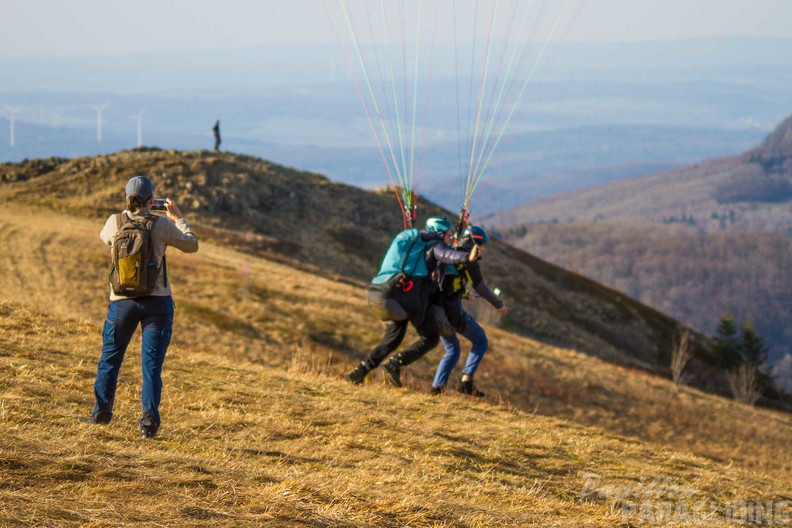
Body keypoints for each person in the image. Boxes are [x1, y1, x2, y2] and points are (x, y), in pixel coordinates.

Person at [81, 175, 198, 438]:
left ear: (126, 199)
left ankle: (101, 415)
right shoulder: (160, 225)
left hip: (122, 302)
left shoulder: (114, 222)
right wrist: (177, 219)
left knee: (110, 359)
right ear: (150, 200)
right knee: (151, 367)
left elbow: (107, 240)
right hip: (157, 303)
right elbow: (192, 245)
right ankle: (148, 426)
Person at [346, 217, 480, 387]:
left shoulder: (413, 241)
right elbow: (446, 255)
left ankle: (359, 372)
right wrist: (468, 257)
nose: (450, 238)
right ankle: (395, 364)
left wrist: (462, 292)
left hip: (388, 292)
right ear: (439, 232)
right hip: (410, 297)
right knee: (430, 338)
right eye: (448, 234)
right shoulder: (434, 244)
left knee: (392, 340)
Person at [430, 225, 507, 397]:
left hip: (436, 311)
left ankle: (437, 388)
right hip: (452, 313)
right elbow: (480, 287)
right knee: (480, 340)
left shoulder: (448, 252)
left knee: (453, 350)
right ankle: (466, 381)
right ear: (475, 244)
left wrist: (464, 293)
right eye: (482, 246)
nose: (482, 250)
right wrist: (498, 305)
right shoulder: (468, 260)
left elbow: (448, 282)